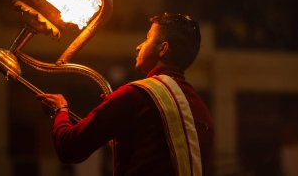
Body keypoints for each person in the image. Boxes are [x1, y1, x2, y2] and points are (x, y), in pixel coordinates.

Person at [37, 13, 214, 176]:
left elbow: (69, 147)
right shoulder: (201, 109)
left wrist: (60, 110)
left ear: (163, 49)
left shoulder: (136, 95)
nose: (138, 47)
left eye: (147, 39)